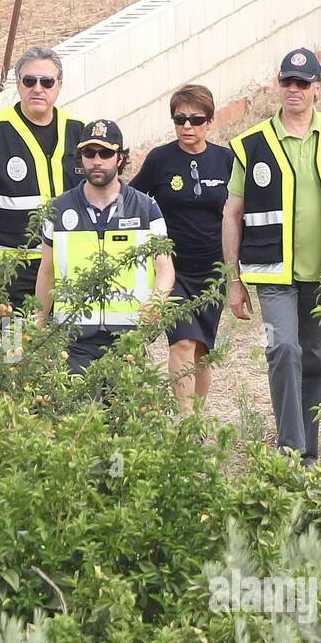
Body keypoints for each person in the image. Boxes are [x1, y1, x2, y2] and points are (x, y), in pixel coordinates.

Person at [222, 48, 321, 466]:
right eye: (287, 81)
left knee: (315, 361)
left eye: (303, 82)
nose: (294, 89)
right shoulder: (252, 143)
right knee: (283, 350)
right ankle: (290, 449)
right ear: (279, 84)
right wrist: (233, 280)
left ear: (317, 86)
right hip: (273, 273)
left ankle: (308, 455)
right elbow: (232, 213)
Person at [0, 46, 86, 310]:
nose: (38, 88)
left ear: (59, 85)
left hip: (70, 263)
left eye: (47, 82)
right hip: (13, 269)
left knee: (70, 347)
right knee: (21, 347)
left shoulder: (79, 131)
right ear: (18, 84)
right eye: (29, 81)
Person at [35, 119, 175, 374]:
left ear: (120, 158)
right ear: (80, 158)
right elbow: (47, 271)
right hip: (73, 339)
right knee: (81, 412)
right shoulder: (59, 209)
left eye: (106, 153)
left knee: (124, 413)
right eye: (89, 153)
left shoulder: (145, 208)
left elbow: (165, 267)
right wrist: (39, 327)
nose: (97, 160)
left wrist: (157, 301)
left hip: (129, 338)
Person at [130, 84, 233, 412]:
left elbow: (238, 211)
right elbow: (132, 203)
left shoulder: (226, 160)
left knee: (202, 352)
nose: (187, 126)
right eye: (180, 119)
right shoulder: (160, 160)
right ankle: (185, 421)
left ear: (210, 121)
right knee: (182, 343)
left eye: (196, 119)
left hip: (213, 269)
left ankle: (197, 420)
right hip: (173, 271)